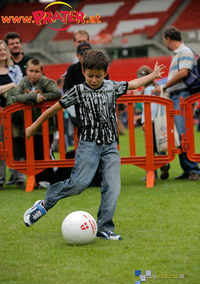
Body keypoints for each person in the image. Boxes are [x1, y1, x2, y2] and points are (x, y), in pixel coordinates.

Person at [23, 49, 165, 240]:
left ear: (106, 72)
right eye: (90, 75)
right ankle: (44, 203)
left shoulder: (112, 86)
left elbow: (132, 84)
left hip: (110, 145)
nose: (94, 80)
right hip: (88, 144)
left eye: (98, 76)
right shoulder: (78, 91)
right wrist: (33, 126)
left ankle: (104, 227)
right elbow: (53, 109)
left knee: (113, 186)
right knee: (79, 184)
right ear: (83, 71)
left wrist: (153, 76)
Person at [152, 25, 200, 180]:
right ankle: (188, 169)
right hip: (176, 96)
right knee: (178, 135)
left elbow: (183, 73)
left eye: (164, 40)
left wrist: (164, 86)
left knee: (183, 133)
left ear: (168, 38)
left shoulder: (184, 51)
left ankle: (194, 170)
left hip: (181, 96)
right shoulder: (179, 53)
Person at [14, 58, 62, 188]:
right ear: (26, 70)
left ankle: (53, 180)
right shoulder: (24, 81)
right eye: (31, 71)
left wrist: (42, 98)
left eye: (36, 71)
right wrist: (34, 97)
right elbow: (16, 97)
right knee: (34, 154)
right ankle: (39, 180)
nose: (33, 74)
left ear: (41, 72)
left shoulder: (46, 81)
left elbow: (57, 93)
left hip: (47, 126)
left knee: (46, 153)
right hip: (30, 126)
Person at [4, 32, 33, 186]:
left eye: (17, 42)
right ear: (8, 47)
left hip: (24, 110)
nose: (15, 45)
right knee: (6, 144)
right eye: (11, 43)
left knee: (22, 142)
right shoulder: (8, 66)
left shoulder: (29, 62)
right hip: (6, 110)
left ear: (21, 44)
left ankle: (24, 176)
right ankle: (12, 176)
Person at [137, 65, 170, 182]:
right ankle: (164, 163)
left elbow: (149, 108)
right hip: (159, 121)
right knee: (159, 146)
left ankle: (152, 173)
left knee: (149, 148)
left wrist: (145, 121)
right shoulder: (156, 87)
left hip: (150, 122)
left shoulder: (147, 89)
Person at [0, 40, 24, 190]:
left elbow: (20, 87)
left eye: (3, 49)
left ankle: (19, 178)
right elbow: (15, 86)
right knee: (0, 146)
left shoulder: (15, 69)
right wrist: (11, 85)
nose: (2, 52)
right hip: (0, 113)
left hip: (14, 114)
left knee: (16, 143)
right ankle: (1, 179)